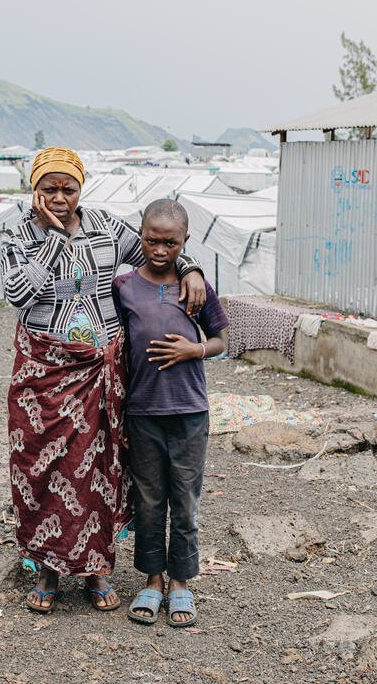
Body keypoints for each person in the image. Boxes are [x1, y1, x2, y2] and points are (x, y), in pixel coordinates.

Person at [1, 147, 207, 614]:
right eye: (49, 188)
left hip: (102, 370)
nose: (59, 197)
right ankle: (49, 572)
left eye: (68, 188)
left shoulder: (105, 227)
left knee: (99, 467)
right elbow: (18, 293)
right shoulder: (17, 235)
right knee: (44, 468)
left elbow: (159, 251)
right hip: (45, 373)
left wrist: (191, 268)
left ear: (81, 188)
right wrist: (53, 238)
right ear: (34, 189)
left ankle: (97, 570)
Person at [113, 199, 229, 628]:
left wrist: (194, 349)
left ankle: (181, 581)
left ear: (185, 243)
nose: (160, 250)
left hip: (189, 411)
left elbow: (222, 340)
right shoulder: (123, 286)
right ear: (140, 235)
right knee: (148, 499)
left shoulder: (195, 287)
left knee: (185, 499)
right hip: (142, 410)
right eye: (151, 240)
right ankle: (153, 578)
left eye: (170, 242)